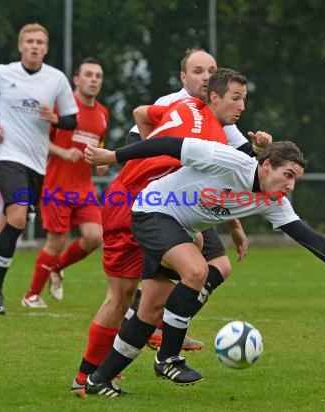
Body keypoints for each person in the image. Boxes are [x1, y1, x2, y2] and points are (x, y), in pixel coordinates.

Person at [83, 137, 325, 397]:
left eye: (296, 180)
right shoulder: (226, 159)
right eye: (288, 175)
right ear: (266, 165)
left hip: (182, 230)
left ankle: (99, 380)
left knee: (150, 309)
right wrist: (113, 156)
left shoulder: (273, 200)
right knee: (197, 271)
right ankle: (168, 359)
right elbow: (169, 144)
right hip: (152, 211)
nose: (291, 186)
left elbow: (310, 238)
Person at [70, 66, 271, 397]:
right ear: (212, 94)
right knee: (121, 296)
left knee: (172, 283)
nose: (242, 106)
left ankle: (129, 357)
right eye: (237, 99)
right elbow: (218, 176)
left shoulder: (184, 106)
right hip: (136, 200)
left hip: (156, 201)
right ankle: (93, 375)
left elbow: (141, 115)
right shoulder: (211, 136)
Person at [0, 23, 78, 314]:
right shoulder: (3, 73)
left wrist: (54, 118)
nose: (35, 46)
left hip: (37, 163)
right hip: (7, 155)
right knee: (17, 217)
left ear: (46, 48)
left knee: (7, 226)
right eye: (29, 41)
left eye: (40, 41)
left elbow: (72, 120)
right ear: (20, 46)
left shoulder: (56, 79)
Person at [21, 57, 110, 308]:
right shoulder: (61, 109)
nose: (93, 80)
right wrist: (62, 152)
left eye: (98, 76)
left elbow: (97, 148)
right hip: (56, 185)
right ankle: (31, 296)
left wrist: (100, 163)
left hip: (83, 188)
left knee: (95, 236)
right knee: (57, 241)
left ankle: (56, 267)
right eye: (88, 75)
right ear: (76, 79)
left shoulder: (103, 114)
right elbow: (37, 141)